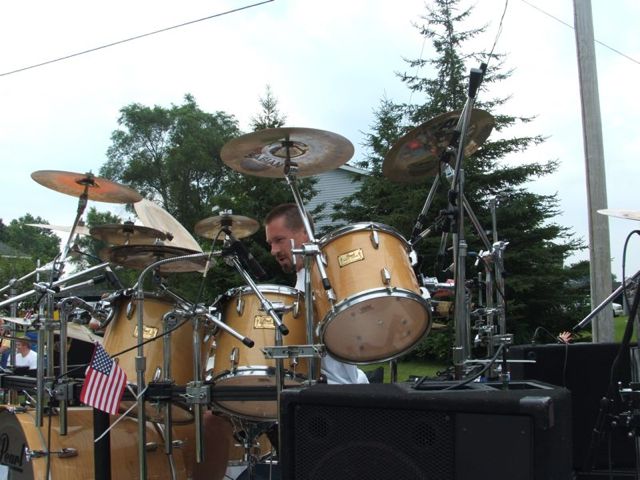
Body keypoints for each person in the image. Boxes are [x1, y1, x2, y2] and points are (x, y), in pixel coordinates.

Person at [265, 203, 369, 385]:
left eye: (279, 240)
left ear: (305, 234)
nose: (273, 251)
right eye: (270, 243)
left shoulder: (325, 278)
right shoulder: (304, 278)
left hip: (331, 391)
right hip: (325, 385)